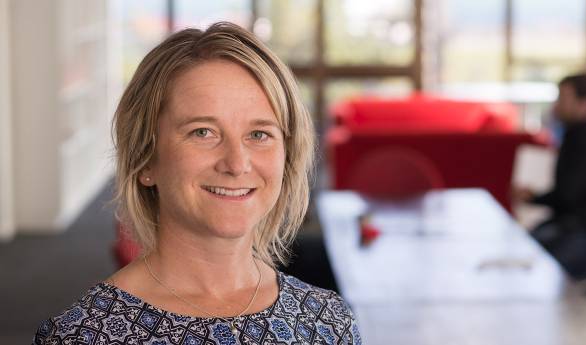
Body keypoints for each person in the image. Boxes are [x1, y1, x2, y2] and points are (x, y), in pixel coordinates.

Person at [33, 22, 361, 344]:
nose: (236, 163)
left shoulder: (328, 321)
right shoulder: (81, 336)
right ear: (146, 159)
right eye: (203, 132)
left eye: (259, 134)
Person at [514, 73, 586, 278]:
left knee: (530, 266)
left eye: (563, 99)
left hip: (585, 233)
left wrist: (533, 197)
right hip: (569, 224)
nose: (557, 106)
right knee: (521, 249)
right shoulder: (579, 134)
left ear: (585, 104)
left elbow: (568, 195)